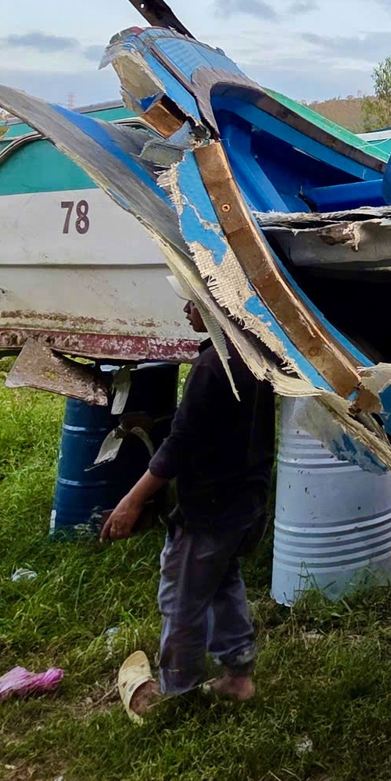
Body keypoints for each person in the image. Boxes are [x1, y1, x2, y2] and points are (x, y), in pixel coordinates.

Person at [102, 292, 276, 715]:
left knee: (181, 597)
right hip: (246, 501)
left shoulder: (211, 368)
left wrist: (130, 501)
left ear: (217, 310)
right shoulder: (254, 357)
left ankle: (176, 693)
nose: (185, 311)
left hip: (209, 507)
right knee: (222, 583)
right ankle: (238, 676)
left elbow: (178, 447)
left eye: (193, 303)